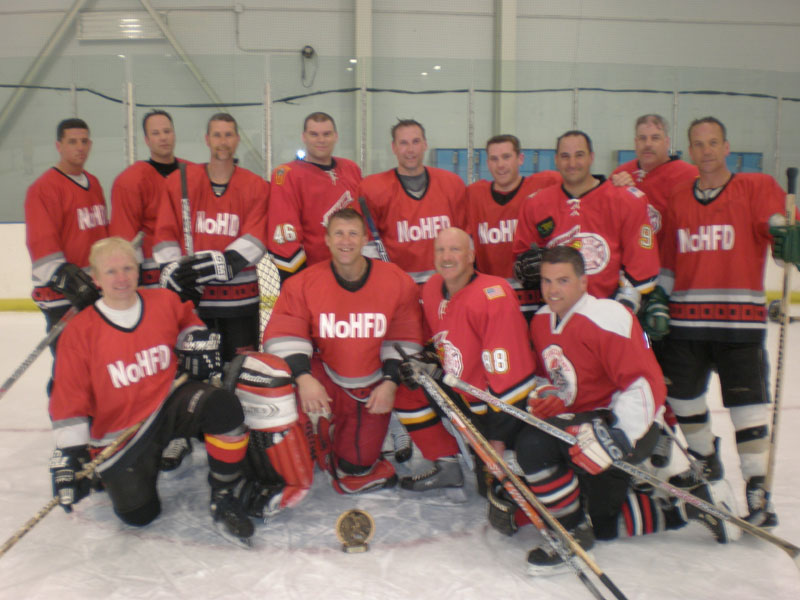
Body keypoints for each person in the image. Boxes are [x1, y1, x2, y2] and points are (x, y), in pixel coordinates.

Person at [500, 246, 737, 574]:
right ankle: (695, 506)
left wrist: (619, 435)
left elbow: (645, 385)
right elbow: (550, 374)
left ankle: (572, 535)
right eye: (547, 281)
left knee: (534, 445)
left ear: (584, 282)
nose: (553, 290)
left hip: (627, 428)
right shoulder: (541, 321)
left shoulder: (608, 316)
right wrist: (549, 395)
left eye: (563, 280)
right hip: (583, 426)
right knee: (603, 522)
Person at [47, 237, 254, 545]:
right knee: (139, 515)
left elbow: (188, 322)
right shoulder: (79, 332)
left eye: (128, 268)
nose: (121, 278)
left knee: (223, 406)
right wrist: (70, 453)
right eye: (111, 271)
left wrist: (196, 340)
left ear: (139, 270)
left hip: (169, 402)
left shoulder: (162, 301)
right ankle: (109, 470)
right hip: (122, 432)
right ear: (95, 278)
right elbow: (68, 398)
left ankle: (223, 495)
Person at [645, 116, 789, 528]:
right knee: (683, 401)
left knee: (747, 410)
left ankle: (757, 491)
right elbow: (670, 260)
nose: (706, 151)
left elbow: (780, 239)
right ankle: (706, 462)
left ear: (727, 147)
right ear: (689, 150)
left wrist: (787, 238)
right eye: (698, 144)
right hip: (686, 324)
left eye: (713, 143)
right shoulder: (678, 197)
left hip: (739, 326)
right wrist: (659, 298)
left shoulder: (756, 188)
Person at [262, 208, 462, 495]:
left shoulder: (396, 281)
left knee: (354, 470)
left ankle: (344, 435)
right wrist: (304, 379)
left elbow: (404, 337)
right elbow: (285, 332)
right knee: (269, 378)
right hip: (325, 375)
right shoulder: (303, 283)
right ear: (327, 239)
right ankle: (314, 432)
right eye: (339, 234)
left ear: (365, 239)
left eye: (353, 234)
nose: (346, 240)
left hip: (371, 386)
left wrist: (390, 383)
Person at [417, 227, 538, 492]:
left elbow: (510, 376)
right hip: (464, 395)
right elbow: (436, 339)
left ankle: (515, 454)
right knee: (409, 379)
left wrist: (497, 437)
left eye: (455, 249)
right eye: (440, 250)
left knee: (497, 492)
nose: (446, 257)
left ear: (471, 256)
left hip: (507, 408)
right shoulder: (432, 287)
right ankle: (448, 460)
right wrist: (424, 359)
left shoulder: (494, 295)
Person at [153, 112, 269, 362]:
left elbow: (256, 237)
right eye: (217, 135)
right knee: (196, 372)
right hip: (194, 303)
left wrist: (216, 265)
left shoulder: (256, 186)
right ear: (207, 139)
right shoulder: (178, 182)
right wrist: (176, 273)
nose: (223, 141)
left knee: (240, 371)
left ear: (237, 139)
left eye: (228, 135)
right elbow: (165, 233)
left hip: (240, 304)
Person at [512, 130, 659, 315]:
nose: (572, 163)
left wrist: (619, 311)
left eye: (579, 155)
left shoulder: (627, 200)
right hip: (555, 313)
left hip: (608, 312)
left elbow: (642, 264)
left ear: (591, 157)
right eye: (565, 156)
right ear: (556, 160)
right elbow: (522, 258)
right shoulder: (535, 204)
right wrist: (529, 268)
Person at [25, 118, 108, 358]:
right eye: (72, 142)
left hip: (93, 291)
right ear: (58, 146)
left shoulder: (94, 183)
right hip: (63, 296)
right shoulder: (44, 188)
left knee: (95, 362)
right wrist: (68, 280)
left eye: (84, 141)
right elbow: (42, 243)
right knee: (68, 366)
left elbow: (101, 235)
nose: (79, 147)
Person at [357, 119, 467, 285]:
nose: (410, 150)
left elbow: (465, 238)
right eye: (403, 143)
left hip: (446, 287)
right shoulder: (373, 189)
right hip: (399, 288)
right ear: (394, 147)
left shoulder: (452, 184)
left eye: (416, 142)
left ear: (425, 144)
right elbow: (368, 246)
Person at [465, 135, 561, 317]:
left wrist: (616, 179)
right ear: (487, 163)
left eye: (506, 157)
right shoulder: (474, 194)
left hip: (539, 301)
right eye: (494, 159)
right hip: (494, 301)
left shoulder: (545, 184)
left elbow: (581, 181)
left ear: (520, 158)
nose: (500, 165)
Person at [267, 112, 362, 280]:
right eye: (314, 134)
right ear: (304, 137)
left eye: (327, 134)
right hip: (312, 274)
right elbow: (284, 233)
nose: (321, 140)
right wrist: (299, 280)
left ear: (336, 136)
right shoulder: (287, 174)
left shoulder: (351, 168)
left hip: (350, 271)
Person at [110, 110, 188, 287]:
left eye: (167, 131)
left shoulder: (192, 174)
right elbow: (125, 236)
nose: (163, 137)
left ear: (174, 134)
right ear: (147, 140)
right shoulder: (130, 180)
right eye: (156, 133)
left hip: (188, 271)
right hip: (152, 277)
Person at [610, 114, 698, 259]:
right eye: (642, 138)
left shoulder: (690, 175)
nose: (648, 144)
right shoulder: (620, 175)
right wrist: (614, 193)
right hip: (630, 264)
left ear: (667, 142)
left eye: (655, 138)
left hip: (672, 264)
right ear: (635, 142)